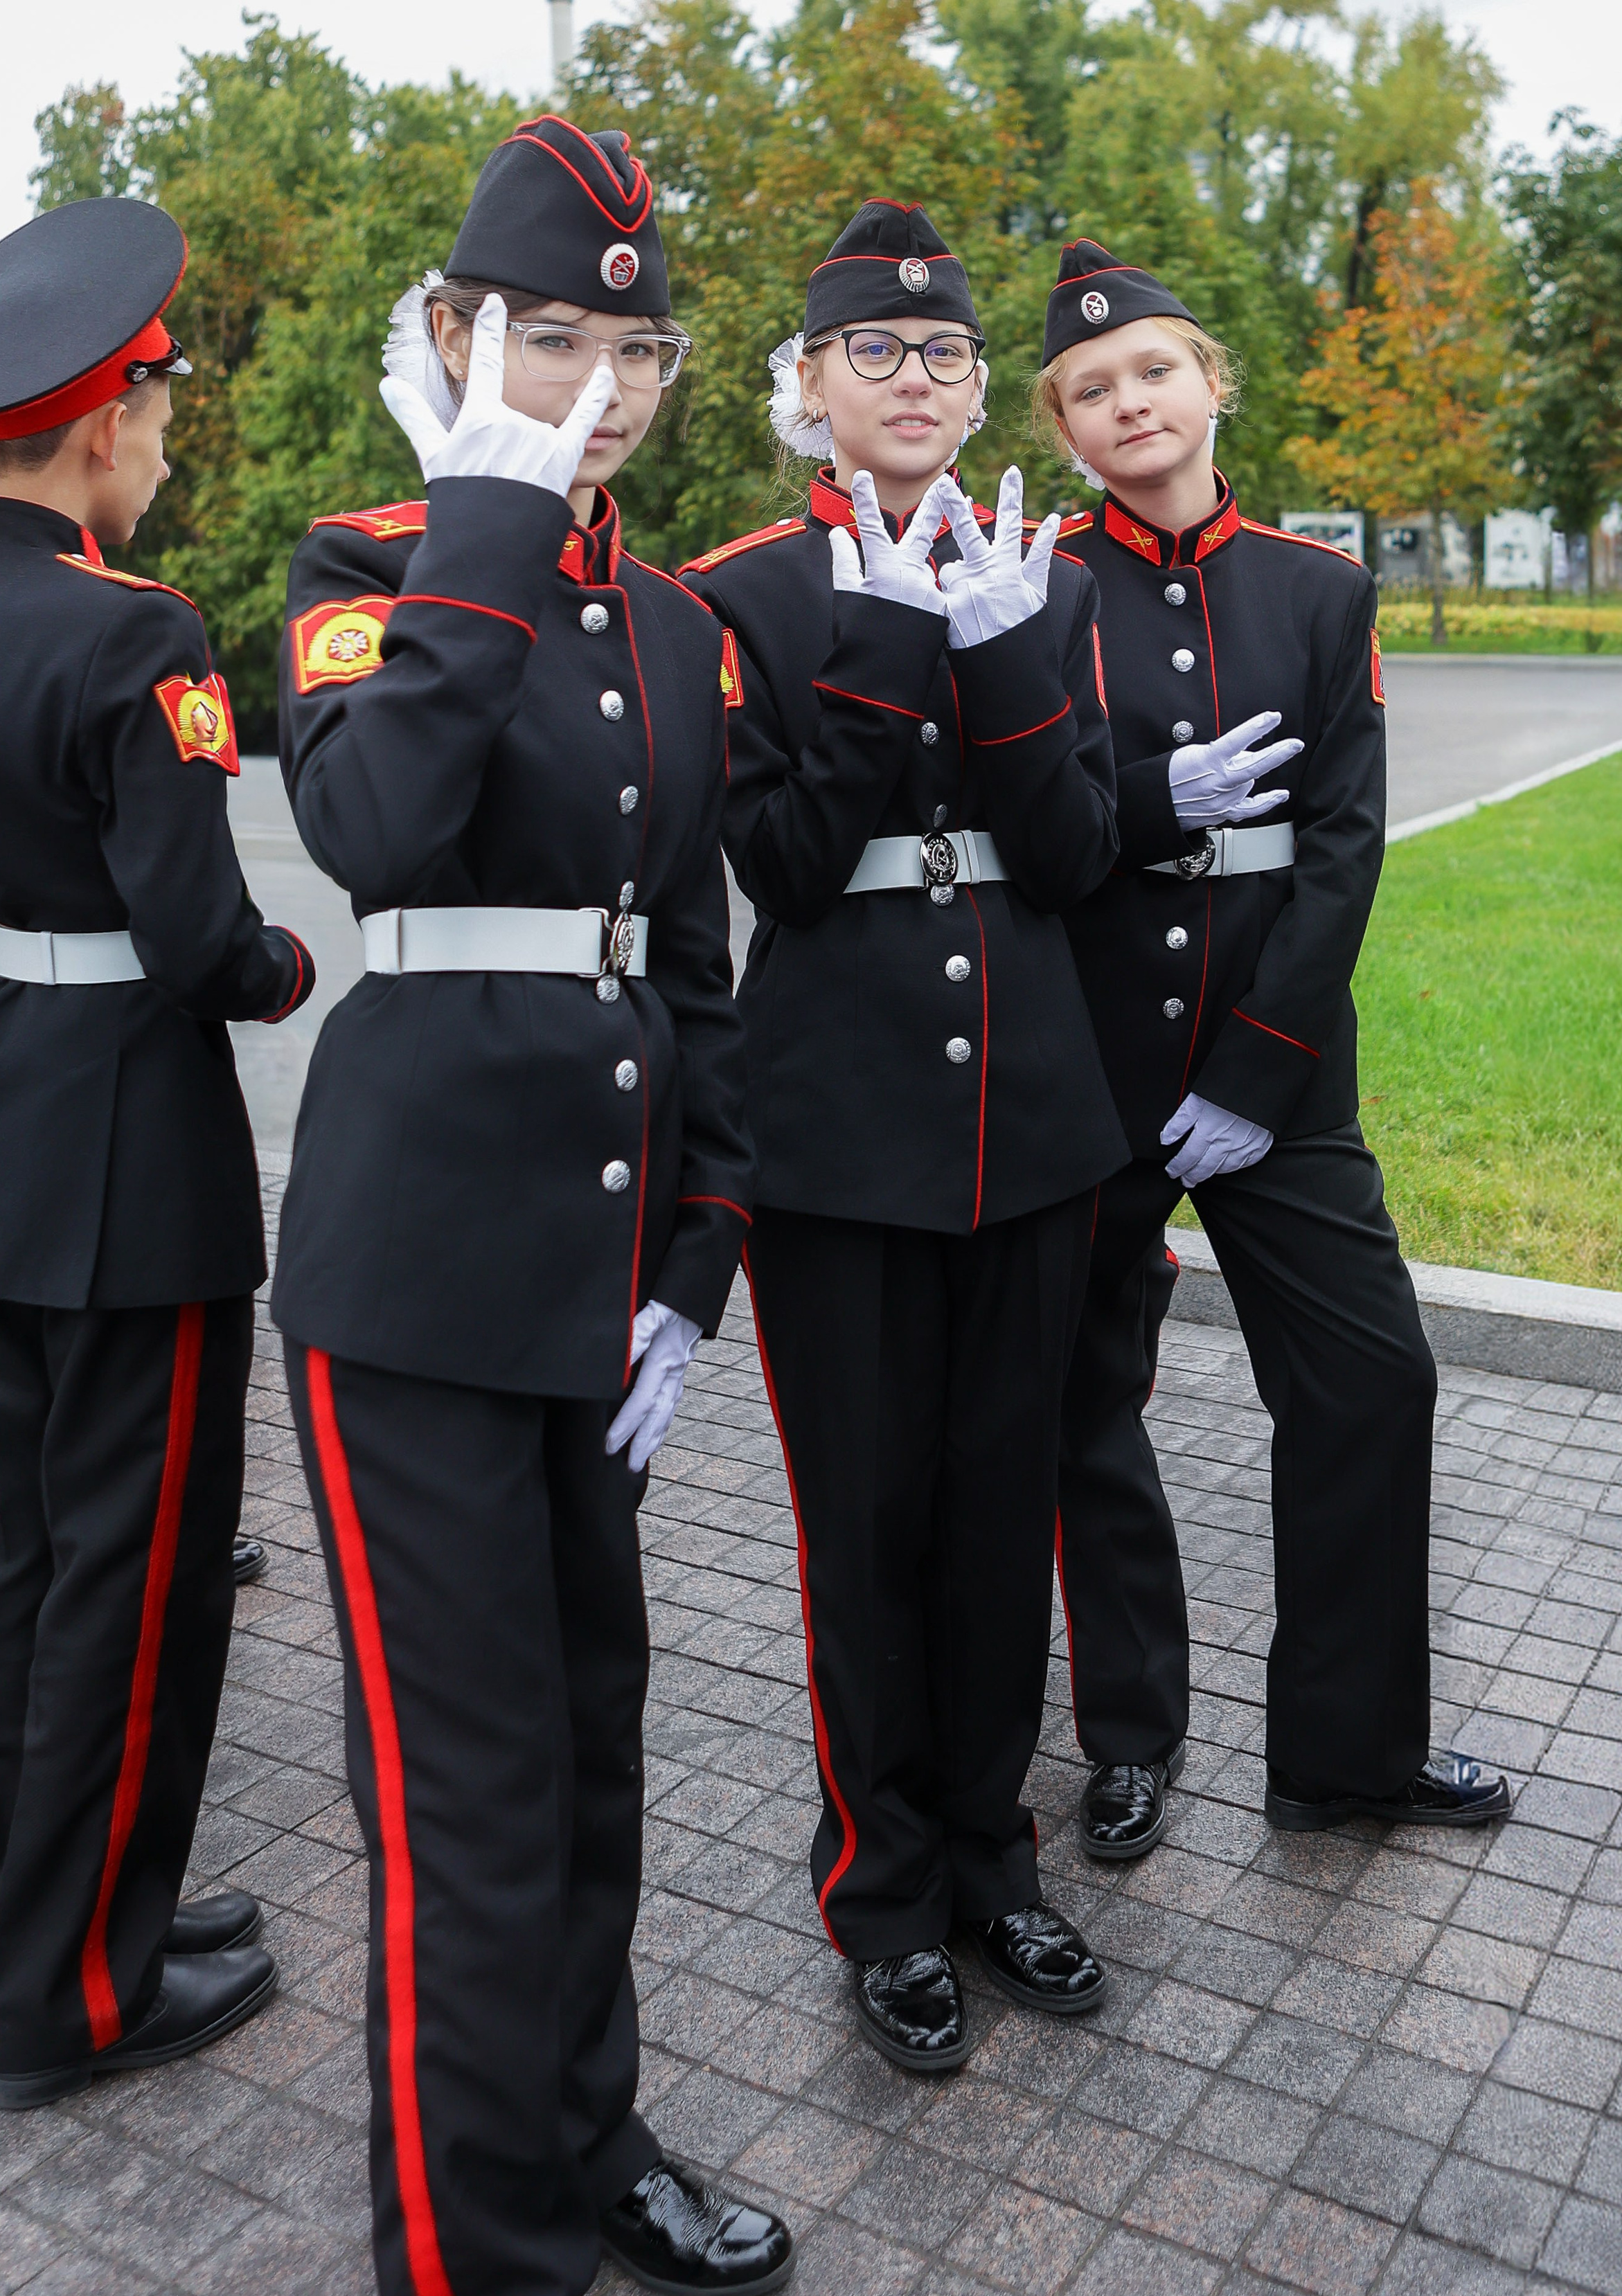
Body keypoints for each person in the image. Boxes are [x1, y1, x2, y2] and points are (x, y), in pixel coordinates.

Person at [274, 118, 783, 2296]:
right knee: (467, 1829)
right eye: (543, 339)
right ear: (460, 344)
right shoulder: (363, 567)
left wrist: (694, 1253)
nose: (589, 388)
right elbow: (376, 833)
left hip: (599, 1289)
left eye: (627, 349)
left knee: (592, 1761)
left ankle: (589, 2146)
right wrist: (485, 514)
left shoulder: (683, 626)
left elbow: (695, 966)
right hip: (413, 1286)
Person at [680, 201, 1121, 2079]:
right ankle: (880, 1889)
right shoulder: (741, 594)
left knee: (1000, 1510)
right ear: (811, 385)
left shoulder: (1053, 574)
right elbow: (778, 860)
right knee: (866, 1526)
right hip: (845, 1122)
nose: (921, 380)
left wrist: (1012, 658)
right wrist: (883, 629)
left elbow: (1085, 852)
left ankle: (993, 1861)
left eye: (947, 354)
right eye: (881, 351)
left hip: (1028, 1115)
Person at [1037, 240, 1511, 1854]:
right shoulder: (1031, 588)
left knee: (1371, 1381)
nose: (1127, 403)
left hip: (1278, 1060)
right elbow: (1030, 833)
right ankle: (1127, 1738)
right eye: (1090, 391)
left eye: (1150, 370)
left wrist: (1253, 1069)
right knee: (1079, 1398)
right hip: (1090, 1054)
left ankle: (1345, 1754)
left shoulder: (1317, 587)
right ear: (1064, 429)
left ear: (1208, 382)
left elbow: (1343, 843)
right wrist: (1122, 816)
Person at [0, 197, 315, 2109]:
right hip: (131, 1170)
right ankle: (80, 1989)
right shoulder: (134, 631)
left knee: (18, 1558)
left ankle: (58, 1912)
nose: (166, 452)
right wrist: (286, 963)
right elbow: (201, 940)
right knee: (133, 1585)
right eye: (161, 417)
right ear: (101, 426)